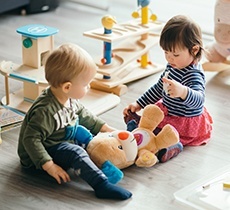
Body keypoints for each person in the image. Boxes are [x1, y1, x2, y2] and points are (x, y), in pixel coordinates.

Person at [17, 43, 132, 200]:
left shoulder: (68, 98)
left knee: (92, 142)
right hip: (39, 155)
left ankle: (108, 165)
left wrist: (107, 129)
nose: (89, 86)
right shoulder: (45, 112)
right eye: (85, 84)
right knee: (76, 152)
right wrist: (49, 165)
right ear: (67, 87)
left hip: (61, 138)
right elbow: (31, 140)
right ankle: (101, 185)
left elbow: (84, 115)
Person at [123, 15, 213, 163]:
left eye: (175, 54)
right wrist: (139, 104)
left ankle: (171, 147)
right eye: (166, 53)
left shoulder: (193, 74)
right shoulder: (173, 65)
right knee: (152, 116)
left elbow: (199, 101)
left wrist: (183, 91)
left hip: (184, 121)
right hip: (168, 111)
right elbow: (159, 88)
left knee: (170, 135)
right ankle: (139, 128)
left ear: (194, 50)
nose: (169, 59)